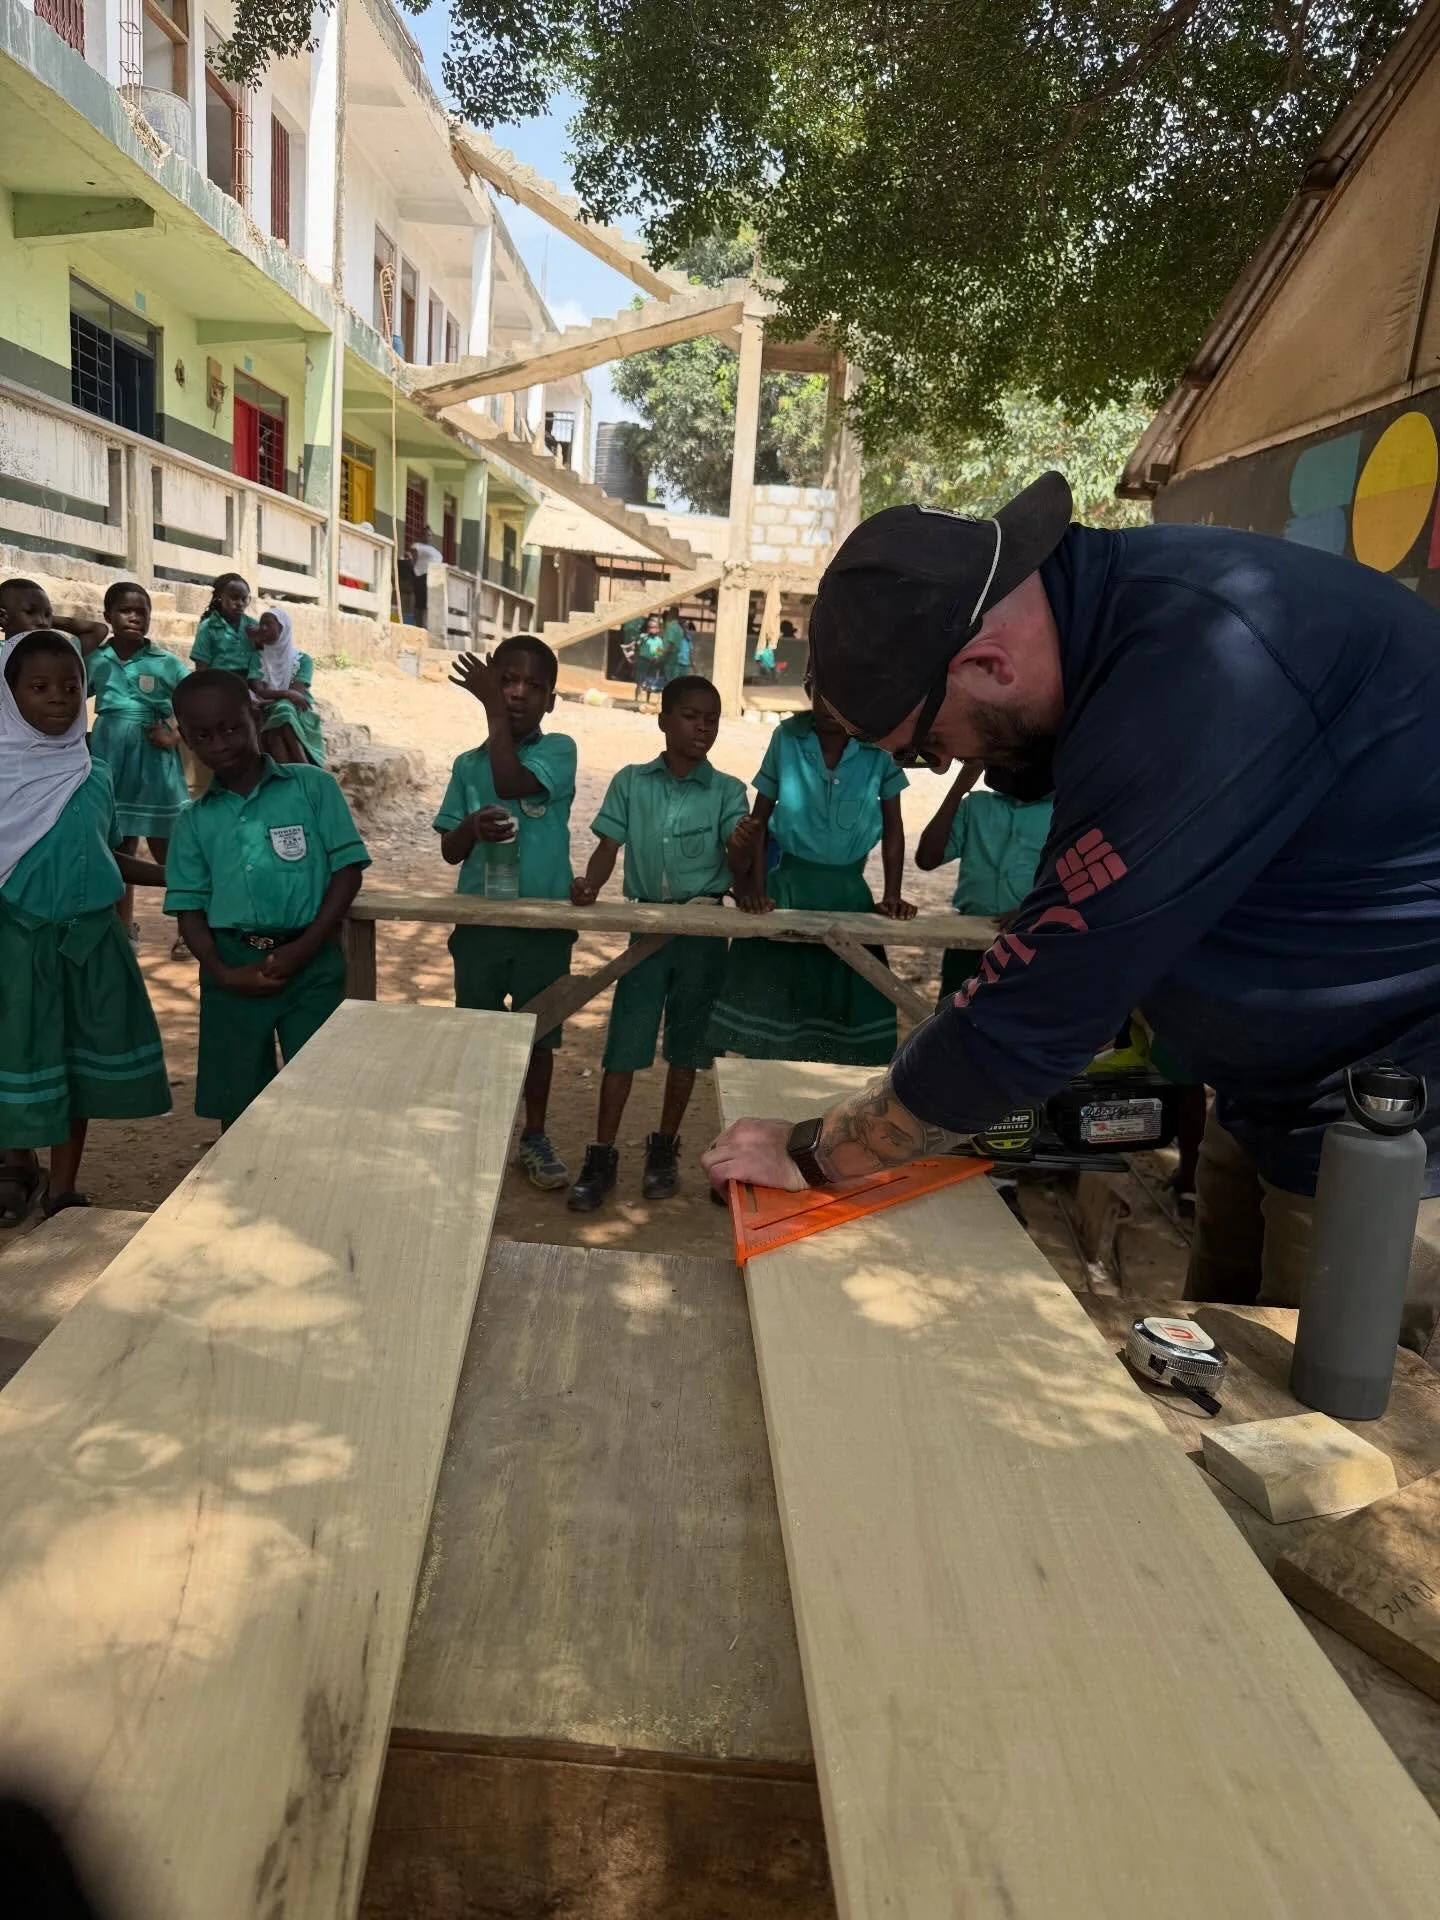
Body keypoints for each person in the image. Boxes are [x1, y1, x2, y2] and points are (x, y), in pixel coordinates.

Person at [702, 472, 1440, 1355]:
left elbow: (1037, 1008)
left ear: (987, 662)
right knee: (1217, 1361)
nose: (944, 765)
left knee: (1316, 1415)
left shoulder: (1199, 673)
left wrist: (815, 1153)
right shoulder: (1115, 627)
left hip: (1395, 1116)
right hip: (1272, 1091)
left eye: (929, 745)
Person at [0, 630, 170, 1214]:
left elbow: (106, 854)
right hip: (16, 947)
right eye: (38, 686)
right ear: (7, 695)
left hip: (91, 946)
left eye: (72, 686)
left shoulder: (93, 772)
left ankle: (64, 1188)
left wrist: (174, 877)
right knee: (19, 1057)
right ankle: (17, 1166)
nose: (59, 697)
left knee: (77, 1065)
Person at [568, 675, 748, 1210]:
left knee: (687, 1048)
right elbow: (608, 845)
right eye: (690, 716)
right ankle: (601, 1155)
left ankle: (664, 1149)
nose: (702, 728)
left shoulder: (728, 791)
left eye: (712, 719)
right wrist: (590, 884)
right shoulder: (631, 782)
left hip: (703, 932)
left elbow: (738, 858)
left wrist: (746, 842)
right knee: (624, 1045)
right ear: (664, 720)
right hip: (646, 930)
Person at [164, 670, 369, 1130]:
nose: (220, 744)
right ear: (186, 740)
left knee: (321, 1086)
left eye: (231, 728)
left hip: (311, 959)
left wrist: (306, 947)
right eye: (203, 735)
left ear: (256, 719)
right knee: (238, 1101)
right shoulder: (193, 820)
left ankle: (315, 1169)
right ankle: (245, 1173)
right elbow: (188, 909)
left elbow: (348, 871)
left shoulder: (312, 787)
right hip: (232, 965)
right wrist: (222, 972)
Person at [435, 636, 577, 1191]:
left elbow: (511, 781)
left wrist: (491, 707)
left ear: (551, 700)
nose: (517, 694)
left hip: (543, 928)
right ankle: (480, 1132)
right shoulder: (467, 765)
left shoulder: (558, 750)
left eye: (533, 686)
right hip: (482, 928)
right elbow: (449, 850)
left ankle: (533, 1135)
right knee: (480, 1032)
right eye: (507, 681)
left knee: (539, 1037)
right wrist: (470, 829)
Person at [709, 684, 915, 1064]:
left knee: (846, 1010)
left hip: (849, 896)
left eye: (839, 692)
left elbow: (894, 827)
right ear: (808, 688)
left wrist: (892, 894)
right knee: (774, 1013)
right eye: (820, 691)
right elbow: (759, 821)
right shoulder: (787, 737)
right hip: (787, 890)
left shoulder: (880, 745)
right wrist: (756, 890)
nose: (828, 704)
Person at [87, 582, 190, 952]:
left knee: (168, 848)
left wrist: (174, 736)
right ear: (108, 616)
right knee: (120, 847)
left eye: (141, 611)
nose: (134, 617)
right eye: (124, 610)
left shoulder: (166, 662)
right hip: (111, 762)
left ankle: (189, 928)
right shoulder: (95, 659)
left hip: (154, 765)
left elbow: (195, 701)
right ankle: (123, 929)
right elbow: (68, 692)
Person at [916, 759, 1053, 1000]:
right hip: (966, 942)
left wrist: (1033, 910)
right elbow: (927, 859)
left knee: (1020, 1013)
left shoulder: (1060, 812)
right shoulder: (976, 805)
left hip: (1030, 940)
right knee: (953, 1013)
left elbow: (1070, 879)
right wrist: (959, 788)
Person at [249, 607, 324, 766]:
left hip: (298, 710)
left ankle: (293, 771)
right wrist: (287, 694)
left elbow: (297, 694)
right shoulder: (257, 658)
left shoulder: (303, 660)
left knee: (281, 719)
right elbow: (259, 690)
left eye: (268, 624)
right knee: (283, 712)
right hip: (268, 706)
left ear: (283, 628)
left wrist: (287, 695)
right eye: (261, 624)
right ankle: (305, 768)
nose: (263, 628)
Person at [0, 578, 108, 659]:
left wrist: (48, 621)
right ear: (3, 616)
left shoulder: (57, 653)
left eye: (47, 614)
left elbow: (99, 630)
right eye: (30, 612)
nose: (42, 622)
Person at [191, 572, 256, 674]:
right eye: (234, 597)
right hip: (220, 681)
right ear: (220, 597)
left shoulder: (254, 626)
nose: (240, 603)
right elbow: (202, 670)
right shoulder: (207, 627)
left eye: (244, 599)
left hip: (251, 682)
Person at [633, 613, 671, 709]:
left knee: (649, 682)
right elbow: (637, 646)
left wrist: (657, 659)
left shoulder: (659, 640)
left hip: (652, 662)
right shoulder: (643, 637)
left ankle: (647, 700)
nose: (653, 629)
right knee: (639, 681)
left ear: (658, 629)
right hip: (643, 661)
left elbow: (659, 653)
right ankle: (636, 700)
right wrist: (642, 639)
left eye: (655, 627)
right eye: (651, 627)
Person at [408, 536, 443, 628]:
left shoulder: (435, 550)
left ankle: (425, 625)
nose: (429, 537)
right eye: (427, 534)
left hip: (433, 578)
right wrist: (414, 570)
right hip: (421, 575)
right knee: (419, 603)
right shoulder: (418, 546)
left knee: (428, 602)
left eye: (430, 535)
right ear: (422, 536)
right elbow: (413, 559)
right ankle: (417, 623)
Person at [662, 607, 691, 682]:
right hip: (674, 660)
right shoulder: (678, 629)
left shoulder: (671, 627)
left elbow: (669, 645)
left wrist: (660, 658)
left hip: (669, 659)